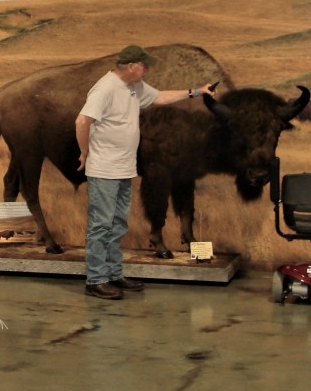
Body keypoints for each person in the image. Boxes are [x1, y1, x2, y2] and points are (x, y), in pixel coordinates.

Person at [75, 45, 216, 300]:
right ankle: (95, 280)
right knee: (101, 225)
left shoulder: (134, 87)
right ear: (130, 66)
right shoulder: (105, 88)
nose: (147, 69)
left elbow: (160, 97)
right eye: (144, 65)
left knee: (117, 224)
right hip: (105, 169)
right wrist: (85, 153)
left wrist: (195, 92)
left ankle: (113, 274)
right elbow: (82, 121)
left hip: (124, 168)